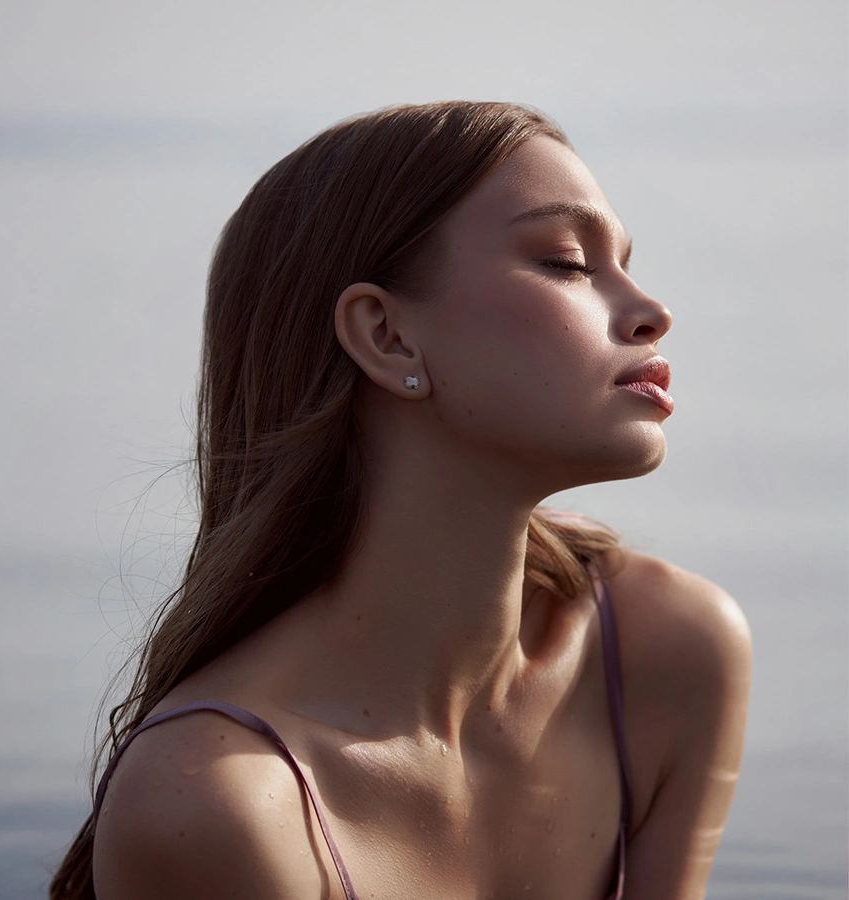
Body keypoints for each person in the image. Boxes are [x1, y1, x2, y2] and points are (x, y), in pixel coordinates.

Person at [50, 101, 752, 900]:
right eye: (566, 261)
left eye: (623, 260)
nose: (651, 312)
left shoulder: (665, 651)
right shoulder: (219, 803)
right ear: (386, 337)